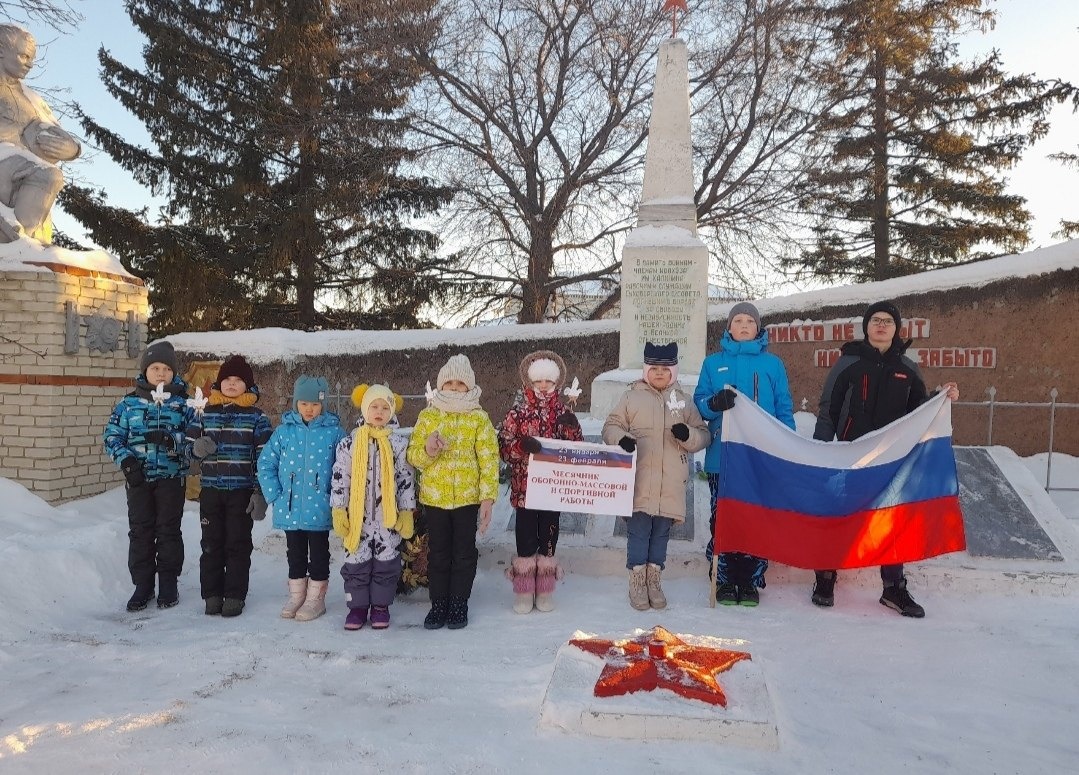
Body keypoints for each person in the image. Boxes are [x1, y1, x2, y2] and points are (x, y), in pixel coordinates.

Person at [811, 301, 959, 618]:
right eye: (875, 320)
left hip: (893, 458)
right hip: (851, 453)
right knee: (840, 515)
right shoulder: (847, 362)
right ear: (866, 326)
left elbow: (919, 411)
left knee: (892, 522)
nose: (881, 325)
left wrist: (940, 399)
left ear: (895, 329)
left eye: (888, 321)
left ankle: (893, 588)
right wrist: (820, 451)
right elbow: (829, 408)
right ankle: (825, 577)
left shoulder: (907, 367)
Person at [693, 301, 795, 607]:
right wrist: (715, 403)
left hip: (759, 456)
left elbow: (783, 408)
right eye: (738, 320)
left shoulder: (772, 365)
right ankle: (723, 578)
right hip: (722, 456)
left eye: (749, 321)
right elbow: (698, 404)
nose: (744, 325)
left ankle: (750, 580)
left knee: (755, 517)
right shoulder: (712, 363)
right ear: (729, 327)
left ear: (758, 327)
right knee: (723, 518)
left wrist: (787, 446)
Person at [602, 342, 709, 610]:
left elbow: (703, 434)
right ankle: (637, 580)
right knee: (639, 531)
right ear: (646, 370)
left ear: (673, 371)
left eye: (665, 369)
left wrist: (689, 435)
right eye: (654, 369)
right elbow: (611, 426)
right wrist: (621, 439)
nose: (660, 373)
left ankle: (654, 579)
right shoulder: (631, 397)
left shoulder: (683, 401)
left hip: (670, 483)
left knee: (661, 533)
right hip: (639, 481)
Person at [406, 354, 499, 630]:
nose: (455, 388)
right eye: (450, 383)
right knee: (438, 553)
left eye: (461, 384)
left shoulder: (479, 418)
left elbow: (489, 460)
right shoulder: (429, 415)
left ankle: (459, 602)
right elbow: (414, 456)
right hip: (435, 499)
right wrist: (429, 449)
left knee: (464, 553)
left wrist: (487, 498)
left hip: (467, 501)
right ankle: (439, 604)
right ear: (440, 386)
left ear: (469, 387)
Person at [103, 340, 195, 611]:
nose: (161, 373)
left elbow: (195, 438)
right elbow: (111, 436)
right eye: (155, 367)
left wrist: (172, 441)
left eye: (166, 368)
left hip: (171, 478)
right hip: (138, 480)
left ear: (174, 372)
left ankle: (168, 584)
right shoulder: (129, 404)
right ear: (145, 371)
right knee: (141, 532)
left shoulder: (182, 404)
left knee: (168, 531)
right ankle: (142, 586)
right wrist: (127, 461)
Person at [186, 355, 273, 618]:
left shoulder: (257, 417)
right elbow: (187, 450)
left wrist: (260, 493)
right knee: (211, 544)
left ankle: (234, 595)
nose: (232, 384)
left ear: (248, 386)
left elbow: (264, 457)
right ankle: (212, 594)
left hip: (241, 491)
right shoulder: (204, 413)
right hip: (211, 490)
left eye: (238, 381)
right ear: (219, 383)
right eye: (227, 380)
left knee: (237, 543)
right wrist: (196, 449)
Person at [497, 350, 584, 614]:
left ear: (556, 382)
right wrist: (522, 446)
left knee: (548, 538)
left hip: (552, 490)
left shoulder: (562, 411)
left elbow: (575, 450)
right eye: (539, 381)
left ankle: (544, 588)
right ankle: (524, 590)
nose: (544, 385)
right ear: (529, 382)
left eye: (548, 380)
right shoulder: (517, 413)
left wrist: (572, 428)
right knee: (525, 540)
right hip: (525, 489)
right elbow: (504, 448)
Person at [257, 376, 346, 622]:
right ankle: (297, 595)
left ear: (323, 405)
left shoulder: (334, 433)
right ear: (296, 403)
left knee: (319, 553)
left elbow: (344, 466)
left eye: (315, 405)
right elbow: (266, 462)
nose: (309, 409)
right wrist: (274, 492)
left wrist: (336, 496)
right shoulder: (284, 432)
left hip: (320, 506)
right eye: (304, 403)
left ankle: (316, 598)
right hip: (289, 506)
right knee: (294, 552)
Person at [329, 384, 416, 630]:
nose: (379, 412)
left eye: (384, 407)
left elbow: (405, 479)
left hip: (388, 518)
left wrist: (407, 511)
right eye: (374, 406)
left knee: (386, 565)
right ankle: (356, 608)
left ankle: (380, 607)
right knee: (356, 563)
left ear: (392, 412)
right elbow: (340, 478)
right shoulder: (350, 444)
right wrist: (338, 509)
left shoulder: (398, 444)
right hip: (359, 519)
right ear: (365, 409)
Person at [0, 24, 81, 243]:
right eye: (24, 56)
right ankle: (18, 246)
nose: (30, 64)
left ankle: (21, 247)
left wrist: (72, 149)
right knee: (44, 175)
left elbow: (53, 127)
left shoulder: (31, 99)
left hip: (20, 166)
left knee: (50, 176)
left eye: (32, 58)